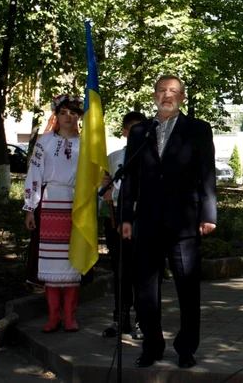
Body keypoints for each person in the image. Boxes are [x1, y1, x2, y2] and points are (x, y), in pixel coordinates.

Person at [120, 75, 217, 369]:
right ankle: (152, 346)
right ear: (154, 95)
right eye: (162, 91)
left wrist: (208, 215)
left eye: (173, 91)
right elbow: (130, 177)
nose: (167, 96)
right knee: (146, 289)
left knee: (187, 288)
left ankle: (186, 348)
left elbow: (207, 174)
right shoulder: (140, 133)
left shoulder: (198, 130)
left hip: (185, 222)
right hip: (148, 222)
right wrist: (125, 216)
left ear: (183, 97)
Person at [23, 94, 84, 333]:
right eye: (63, 112)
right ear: (56, 116)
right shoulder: (44, 142)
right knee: (50, 260)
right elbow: (34, 174)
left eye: (73, 112)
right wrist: (30, 208)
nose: (68, 116)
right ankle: (53, 316)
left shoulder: (87, 143)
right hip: (48, 204)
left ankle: (70, 317)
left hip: (76, 205)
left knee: (73, 260)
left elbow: (94, 177)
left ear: (79, 116)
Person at [100, 111, 146, 339]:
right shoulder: (114, 157)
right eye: (133, 130)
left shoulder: (152, 157)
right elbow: (103, 189)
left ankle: (142, 321)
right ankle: (121, 319)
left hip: (143, 219)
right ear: (125, 132)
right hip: (116, 219)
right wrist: (106, 191)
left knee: (141, 272)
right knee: (120, 270)